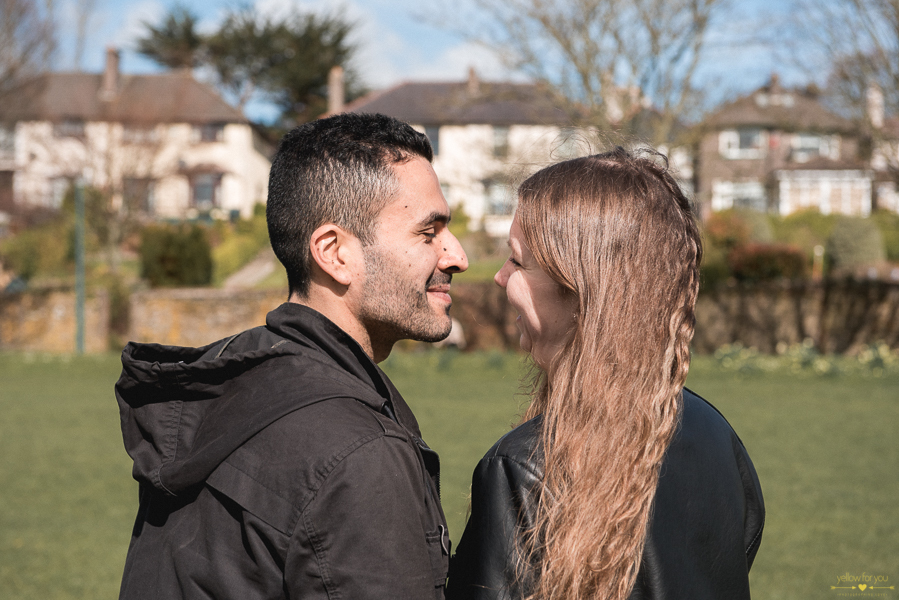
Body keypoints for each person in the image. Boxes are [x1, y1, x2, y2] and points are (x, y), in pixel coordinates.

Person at [116, 113, 468, 599]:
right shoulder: (356, 451)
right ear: (334, 252)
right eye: (428, 232)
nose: (457, 256)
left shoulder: (226, 383)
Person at [446, 148, 764, 600]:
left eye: (517, 261)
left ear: (577, 292)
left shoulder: (525, 468)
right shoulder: (713, 430)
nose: (499, 277)